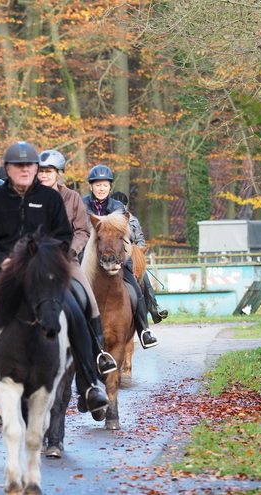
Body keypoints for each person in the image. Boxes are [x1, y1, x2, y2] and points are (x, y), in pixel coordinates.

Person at [0, 141, 108, 417]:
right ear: (8, 169)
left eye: (31, 166)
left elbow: (64, 233)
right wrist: (1, 260)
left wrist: (53, 256)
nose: (27, 171)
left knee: (77, 309)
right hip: (5, 271)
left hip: (47, 268)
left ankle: (89, 383)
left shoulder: (51, 199)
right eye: (18, 166)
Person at [37, 149, 116, 375]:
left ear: (58, 173)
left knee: (89, 299)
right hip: (35, 259)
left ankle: (99, 354)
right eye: (41, 171)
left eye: (49, 172)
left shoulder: (71, 197)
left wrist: (70, 250)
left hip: (65, 259)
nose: (44, 175)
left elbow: (82, 231)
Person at [82, 165, 158, 349]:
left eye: (105, 185)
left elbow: (125, 235)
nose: (101, 188)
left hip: (116, 256)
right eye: (98, 185)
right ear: (91, 186)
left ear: (110, 187)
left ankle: (143, 330)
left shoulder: (117, 207)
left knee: (135, 288)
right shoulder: (81, 204)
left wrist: (121, 257)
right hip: (87, 256)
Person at [111, 190, 168, 325]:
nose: (120, 207)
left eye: (122, 205)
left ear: (125, 206)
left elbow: (140, 240)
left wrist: (137, 253)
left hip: (131, 255)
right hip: (113, 256)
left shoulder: (133, 220)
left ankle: (154, 310)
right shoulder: (109, 220)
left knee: (144, 279)